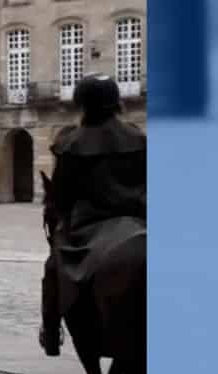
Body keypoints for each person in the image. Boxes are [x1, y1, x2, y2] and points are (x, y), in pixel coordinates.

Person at [42, 76, 145, 355]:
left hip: (89, 225)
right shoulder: (137, 137)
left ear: (82, 103)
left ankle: (51, 332)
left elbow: (61, 197)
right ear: (116, 102)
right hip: (138, 221)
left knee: (53, 267)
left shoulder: (72, 143)